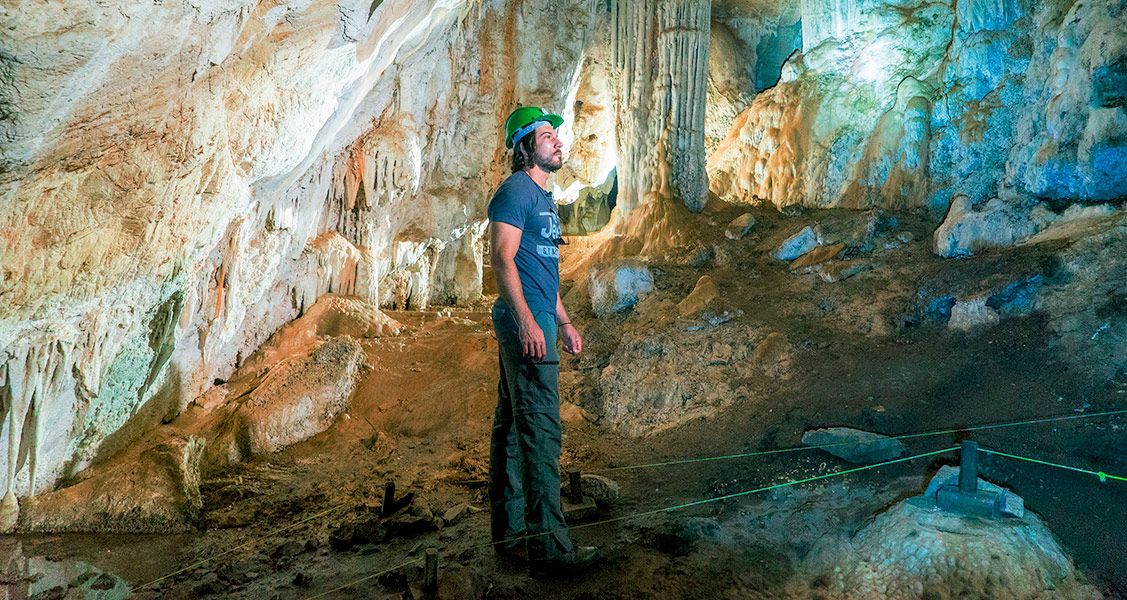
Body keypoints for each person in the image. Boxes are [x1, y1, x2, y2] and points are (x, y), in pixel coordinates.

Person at [486, 106, 601, 576]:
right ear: (525, 147)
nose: (558, 142)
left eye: (557, 135)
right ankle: (549, 552)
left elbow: (544, 270)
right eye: (547, 135)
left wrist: (565, 321)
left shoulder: (543, 198)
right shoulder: (515, 191)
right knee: (541, 432)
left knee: (513, 427)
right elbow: (501, 258)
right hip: (525, 324)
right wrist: (529, 323)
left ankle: (511, 534)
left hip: (540, 318)